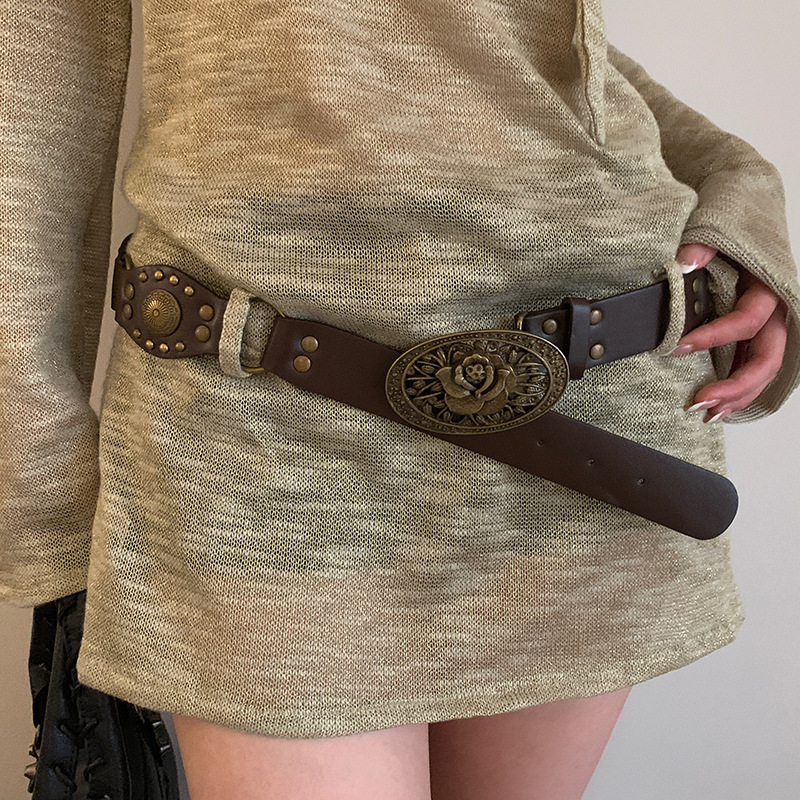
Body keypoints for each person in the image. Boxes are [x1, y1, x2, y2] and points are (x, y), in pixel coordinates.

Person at [1, 2, 798, 799]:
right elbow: (32, 96)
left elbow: (517, 40)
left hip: (594, 414)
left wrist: (741, 182)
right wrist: (47, 509)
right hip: (262, 435)